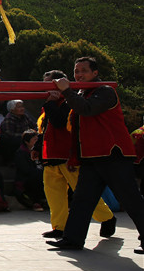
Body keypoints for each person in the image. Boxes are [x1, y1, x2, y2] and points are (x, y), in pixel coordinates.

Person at [47, 57, 144, 253]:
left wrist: (66, 91)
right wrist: (54, 100)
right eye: (76, 71)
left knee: (131, 200)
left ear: (95, 73)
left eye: (83, 70)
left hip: (113, 155)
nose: (79, 75)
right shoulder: (81, 93)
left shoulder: (105, 91)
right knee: (82, 200)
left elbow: (87, 109)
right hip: (91, 157)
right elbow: (69, 125)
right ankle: (72, 239)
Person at [38, 70, 114, 239]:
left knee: (82, 193)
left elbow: (58, 122)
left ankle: (107, 217)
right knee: (54, 194)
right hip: (51, 154)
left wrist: (50, 103)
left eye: (49, 85)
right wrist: (37, 148)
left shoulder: (70, 102)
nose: (47, 90)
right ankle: (60, 226)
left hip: (68, 154)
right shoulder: (50, 104)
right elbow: (44, 130)